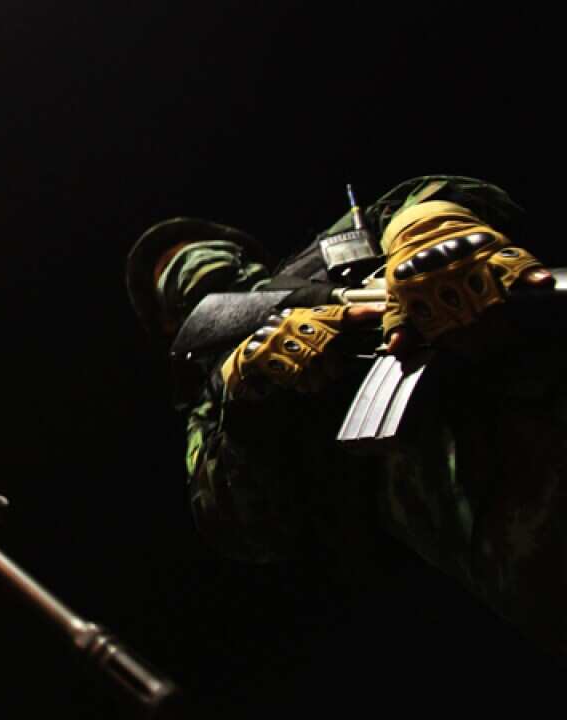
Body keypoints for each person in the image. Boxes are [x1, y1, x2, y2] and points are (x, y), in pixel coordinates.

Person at [126, 175, 567, 655]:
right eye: (166, 267)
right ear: (170, 321)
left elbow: (438, 192)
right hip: (478, 502)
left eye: (202, 244)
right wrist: (251, 399)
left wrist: (424, 225)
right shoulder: (211, 399)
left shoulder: (334, 245)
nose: (191, 259)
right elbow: (240, 532)